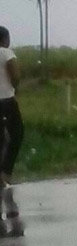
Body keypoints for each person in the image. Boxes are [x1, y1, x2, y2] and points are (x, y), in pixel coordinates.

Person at [0, 27, 23, 188]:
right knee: (17, 134)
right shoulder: (6, 53)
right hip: (6, 100)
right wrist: (16, 87)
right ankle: (5, 173)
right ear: (5, 39)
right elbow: (15, 75)